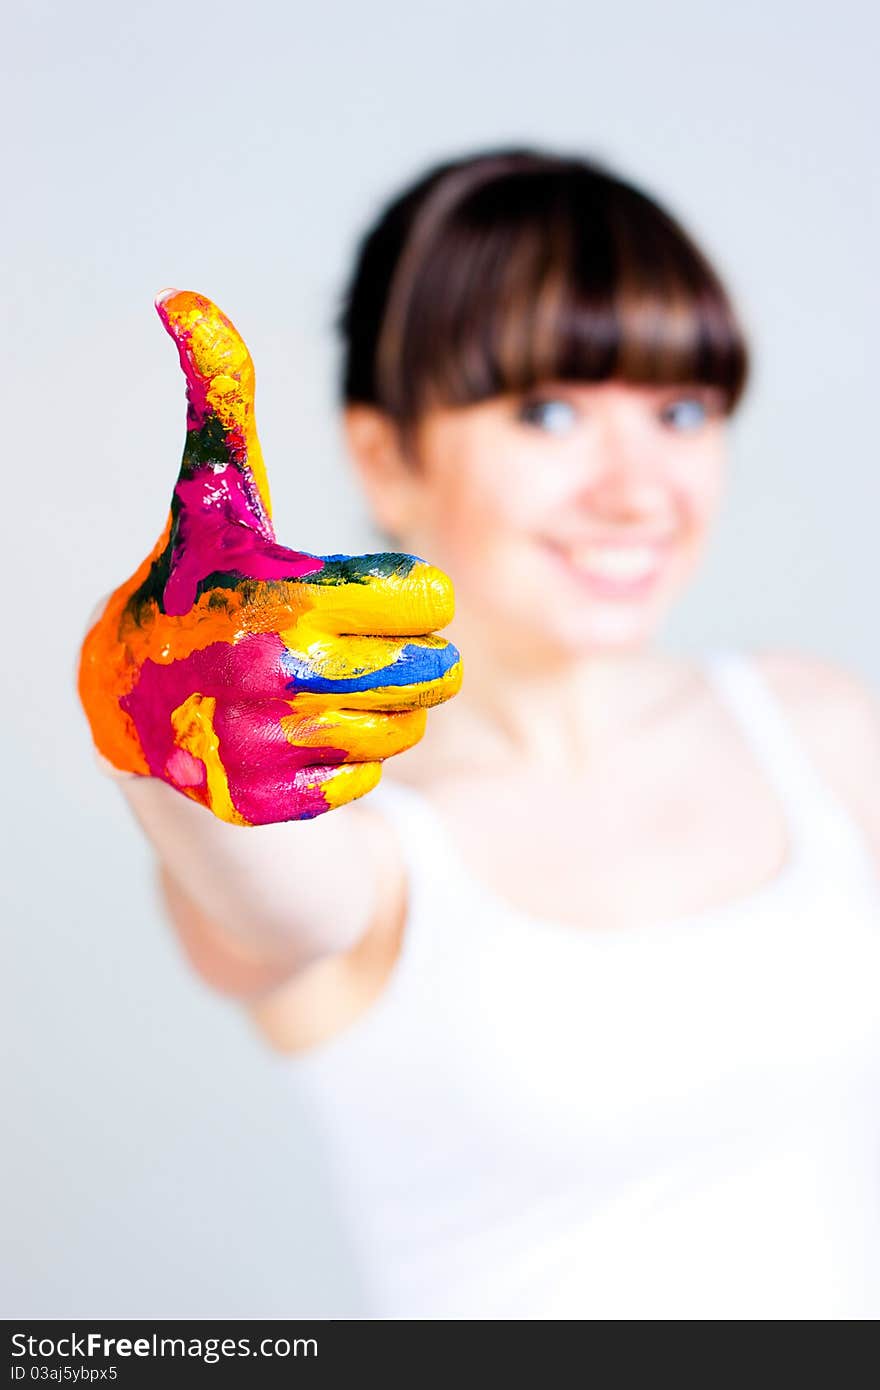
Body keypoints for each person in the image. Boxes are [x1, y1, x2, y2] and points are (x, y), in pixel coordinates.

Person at [79, 146, 880, 1320]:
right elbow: (268, 906)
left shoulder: (816, 723)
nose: (636, 488)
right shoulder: (354, 816)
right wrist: (157, 732)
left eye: (680, 408)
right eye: (548, 411)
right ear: (384, 453)